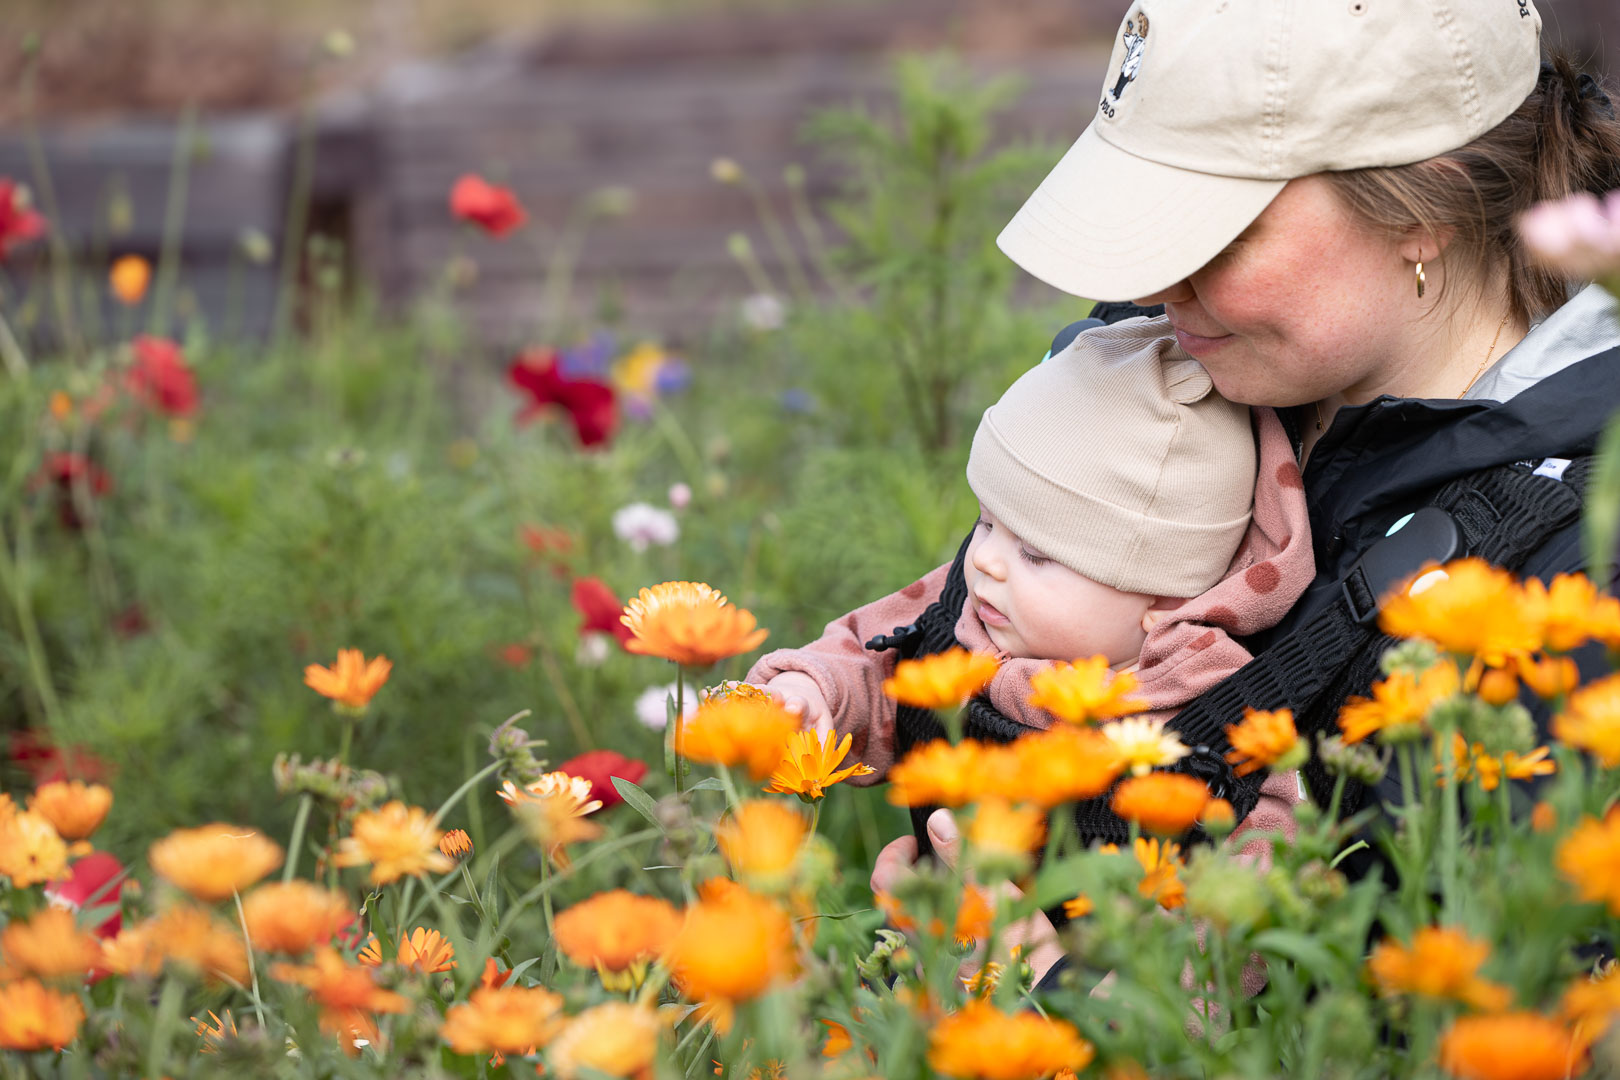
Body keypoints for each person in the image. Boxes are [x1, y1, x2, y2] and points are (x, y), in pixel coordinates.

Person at [859, 0, 1620, 984]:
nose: (1159, 283)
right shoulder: (1188, 369)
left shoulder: (1577, 566)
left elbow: (1457, 1013)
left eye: (1212, 228)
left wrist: (1061, 990)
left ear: (1424, 208)